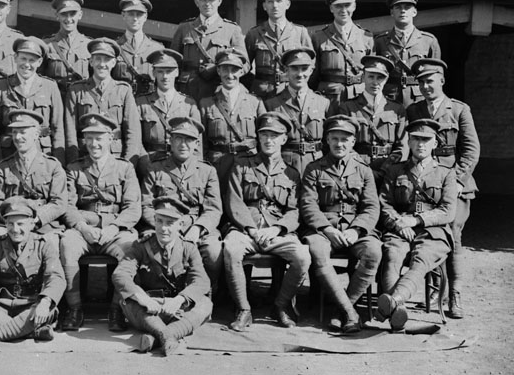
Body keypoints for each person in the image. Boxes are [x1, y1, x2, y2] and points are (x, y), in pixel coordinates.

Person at [406, 59, 480, 319]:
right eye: (421, 81)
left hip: (456, 184)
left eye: (430, 80)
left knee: (452, 233)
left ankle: (455, 295)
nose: (426, 86)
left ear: (442, 81)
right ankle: (437, 290)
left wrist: (458, 181)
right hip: (426, 186)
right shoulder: (414, 110)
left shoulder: (459, 110)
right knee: (429, 234)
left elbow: (471, 150)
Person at [221, 112, 308, 331]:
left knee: (303, 256)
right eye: (264, 135)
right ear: (258, 138)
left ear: (283, 139)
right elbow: (234, 201)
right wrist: (250, 228)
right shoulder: (241, 166)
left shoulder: (291, 173)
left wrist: (277, 229)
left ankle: (281, 306)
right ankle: (243, 309)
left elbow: (295, 210)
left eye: (274, 135)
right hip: (245, 230)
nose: (269, 140)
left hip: (276, 232)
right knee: (231, 250)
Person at [59, 113, 141, 332]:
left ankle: (117, 309)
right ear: (84, 141)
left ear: (111, 139)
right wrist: (82, 228)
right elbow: (67, 205)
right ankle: (75, 308)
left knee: (130, 247)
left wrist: (114, 227)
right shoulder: (74, 168)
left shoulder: (125, 168)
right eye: (89, 138)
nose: (94, 144)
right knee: (67, 243)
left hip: (115, 228)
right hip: (83, 227)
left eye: (100, 138)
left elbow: (133, 207)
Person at [298, 115, 381, 333]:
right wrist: (326, 229)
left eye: (345, 139)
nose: (339, 144)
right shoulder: (314, 169)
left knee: (373, 252)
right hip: (324, 230)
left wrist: (356, 229)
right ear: (327, 139)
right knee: (318, 252)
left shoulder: (364, 170)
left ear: (353, 141)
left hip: (355, 229)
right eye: (335, 138)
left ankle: (340, 310)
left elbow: (372, 207)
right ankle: (351, 314)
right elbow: (308, 205)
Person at [376, 119, 458, 330]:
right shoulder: (395, 171)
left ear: (435, 143)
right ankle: (397, 313)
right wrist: (399, 225)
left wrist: (417, 220)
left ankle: (394, 301)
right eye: (416, 139)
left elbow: (447, 210)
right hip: (400, 228)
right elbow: (384, 204)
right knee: (392, 254)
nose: (421, 144)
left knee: (421, 259)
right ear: (409, 142)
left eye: (426, 140)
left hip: (434, 232)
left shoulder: (446, 173)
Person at [112, 197, 213, 355]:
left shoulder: (188, 248)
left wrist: (179, 300)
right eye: (159, 221)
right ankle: (169, 336)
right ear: (154, 221)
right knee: (128, 301)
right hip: (148, 308)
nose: (163, 228)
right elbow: (120, 275)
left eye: (169, 223)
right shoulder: (141, 246)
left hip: (177, 308)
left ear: (180, 225)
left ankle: (157, 337)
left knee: (206, 304)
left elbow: (201, 281)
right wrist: (142, 298)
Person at [0, 198, 65, 343]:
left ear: (31, 224)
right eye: (10, 224)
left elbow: (56, 277)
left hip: (31, 304)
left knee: (48, 310)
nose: (15, 230)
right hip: (2, 305)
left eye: (20, 224)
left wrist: (45, 302)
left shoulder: (44, 245)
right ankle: (31, 332)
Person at [139, 117, 223, 293]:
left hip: (195, 225)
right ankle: (161, 292)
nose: (183, 144)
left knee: (214, 252)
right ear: (170, 140)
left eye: (189, 140)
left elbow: (213, 209)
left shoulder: (207, 171)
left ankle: (202, 292)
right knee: (142, 247)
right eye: (178, 138)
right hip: (163, 225)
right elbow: (145, 205)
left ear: (196, 144)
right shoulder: (155, 169)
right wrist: (163, 225)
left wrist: (198, 228)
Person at [0, 36, 64, 166]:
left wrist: (59, 163)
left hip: (42, 155)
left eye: (32, 60)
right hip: (8, 154)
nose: (27, 64)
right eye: (23, 59)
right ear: (15, 58)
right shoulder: (0, 87)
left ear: (40, 62)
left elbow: (58, 128)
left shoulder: (50, 87)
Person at [63, 38, 142, 165]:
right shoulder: (76, 90)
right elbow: (70, 132)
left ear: (114, 63)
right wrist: (74, 164)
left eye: (107, 60)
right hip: (85, 156)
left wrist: (126, 165)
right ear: (91, 62)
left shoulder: (123, 90)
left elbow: (133, 133)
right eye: (98, 59)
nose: (102, 64)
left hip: (116, 157)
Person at [0, 109, 67, 236]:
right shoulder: (2, 168)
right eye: (14, 132)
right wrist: (13, 221)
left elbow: (59, 202)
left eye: (23, 132)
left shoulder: (52, 166)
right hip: (9, 227)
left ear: (36, 135)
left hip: (44, 226)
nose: (18, 137)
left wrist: (34, 220)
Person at [170, 0, 245, 101]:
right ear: (196, 2)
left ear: (219, 1)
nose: (207, 3)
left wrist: (218, 69)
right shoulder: (184, 28)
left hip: (217, 91)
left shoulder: (231, 29)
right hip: (187, 92)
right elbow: (173, 62)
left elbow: (244, 63)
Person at [199, 49, 265, 180]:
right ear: (218, 71)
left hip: (248, 166)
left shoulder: (255, 102)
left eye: (234, 70)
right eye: (225, 69)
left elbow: (264, 137)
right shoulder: (206, 104)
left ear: (241, 71)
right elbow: (201, 142)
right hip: (218, 167)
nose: (230, 75)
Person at [337, 55, 406, 179]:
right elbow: (343, 142)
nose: (375, 82)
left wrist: (386, 169)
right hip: (356, 170)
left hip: (389, 171)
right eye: (371, 77)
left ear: (386, 79)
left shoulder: (396, 109)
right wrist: (363, 169)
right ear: (363, 77)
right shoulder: (348, 107)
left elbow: (402, 146)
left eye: (380, 78)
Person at [265, 48, 331, 177]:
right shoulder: (272, 104)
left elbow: (329, 141)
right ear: (286, 71)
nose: (300, 74)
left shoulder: (323, 103)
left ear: (311, 71)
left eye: (304, 68)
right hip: (284, 167)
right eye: (294, 68)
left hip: (316, 166)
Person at [244, 0, 312, 99]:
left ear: (288, 4)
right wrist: (255, 85)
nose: (275, 5)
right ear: (264, 6)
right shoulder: (254, 33)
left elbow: (311, 66)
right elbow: (244, 66)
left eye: (279, 1)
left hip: (291, 92)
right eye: (270, 2)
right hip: (262, 95)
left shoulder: (300, 32)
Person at [373, 0, 440, 107]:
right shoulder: (380, 41)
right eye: (398, 7)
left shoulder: (428, 40)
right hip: (389, 98)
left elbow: (436, 75)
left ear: (414, 12)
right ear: (392, 12)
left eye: (407, 7)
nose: (403, 11)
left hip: (419, 98)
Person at [136, 49, 202, 166]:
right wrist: (144, 164)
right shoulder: (141, 103)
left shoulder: (189, 104)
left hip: (180, 164)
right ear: (154, 73)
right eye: (160, 71)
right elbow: (136, 141)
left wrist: (192, 169)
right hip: (151, 163)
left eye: (169, 71)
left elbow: (197, 145)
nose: (165, 76)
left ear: (177, 73)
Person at [310, 0, 374, 107]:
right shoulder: (318, 37)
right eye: (338, 6)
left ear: (354, 6)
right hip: (329, 98)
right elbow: (313, 77)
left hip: (358, 97)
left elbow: (372, 72)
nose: (343, 10)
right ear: (331, 8)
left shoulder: (366, 36)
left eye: (347, 5)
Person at [112, 0, 163, 97]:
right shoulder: (113, 47)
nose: (135, 18)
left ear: (145, 17)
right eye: (131, 14)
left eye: (139, 14)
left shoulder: (157, 49)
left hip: (147, 106)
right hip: (120, 104)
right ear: (123, 15)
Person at [42, 0, 92, 94]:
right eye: (64, 14)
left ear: (80, 15)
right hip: (55, 100)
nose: (68, 19)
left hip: (80, 101)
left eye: (72, 14)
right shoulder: (47, 45)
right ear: (57, 16)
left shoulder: (89, 45)